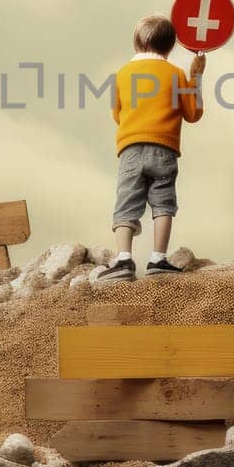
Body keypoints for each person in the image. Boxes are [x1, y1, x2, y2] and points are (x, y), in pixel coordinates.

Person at [91, 15, 205, 284]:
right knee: (163, 203)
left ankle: (123, 260)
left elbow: (117, 115)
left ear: (136, 44)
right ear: (170, 47)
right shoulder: (176, 74)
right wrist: (196, 76)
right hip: (164, 149)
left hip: (131, 149)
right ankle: (157, 259)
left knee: (126, 203)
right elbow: (193, 113)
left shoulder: (120, 75)